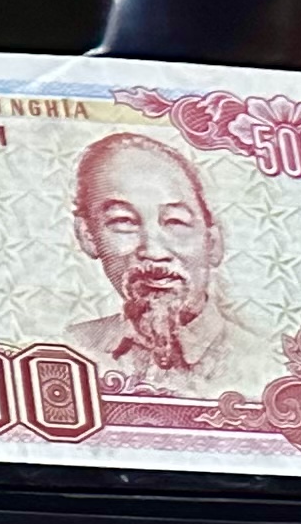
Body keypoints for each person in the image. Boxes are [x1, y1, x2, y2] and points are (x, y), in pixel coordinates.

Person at [61, 131, 270, 394]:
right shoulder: (70, 349)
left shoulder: (266, 363)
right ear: (88, 236)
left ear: (212, 242)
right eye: (123, 221)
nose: (153, 251)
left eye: (175, 222)